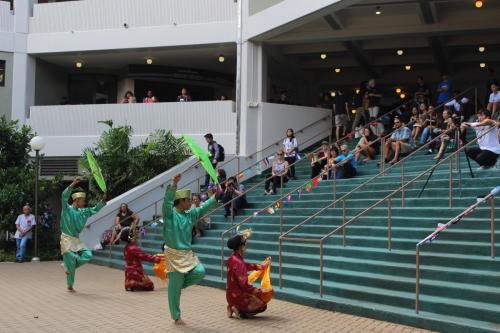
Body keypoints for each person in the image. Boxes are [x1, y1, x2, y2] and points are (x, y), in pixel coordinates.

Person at [162, 173, 218, 325]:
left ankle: (176, 287)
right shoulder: (169, 215)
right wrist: (173, 183)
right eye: (188, 200)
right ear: (180, 202)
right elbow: (167, 202)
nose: (191, 202)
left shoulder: (190, 215)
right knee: (175, 286)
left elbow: (203, 208)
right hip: (173, 254)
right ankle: (176, 316)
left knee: (200, 271)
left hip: (187, 254)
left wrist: (215, 197)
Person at [60, 177, 106, 292]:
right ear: (76, 200)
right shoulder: (67, 209)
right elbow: (64, 197)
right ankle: (70, 285)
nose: (84, 203)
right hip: (66, 238)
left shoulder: (83, 212)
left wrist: (103, 201)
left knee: (88, 255)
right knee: (71, 257)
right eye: (83, 201)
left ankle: (68, 267)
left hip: (76, 239)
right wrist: (73, 184)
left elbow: (95, 209)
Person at [226, 232, 271, 319]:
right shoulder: (238, 262)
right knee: (262, 305)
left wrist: (261, 266)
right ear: (241, 247)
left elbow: (246, 266)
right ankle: (236, 308)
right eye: (245, 245)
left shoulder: (232, 258)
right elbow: (245, 285)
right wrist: (259, 291)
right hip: (238, 296)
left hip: (230, 296)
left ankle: (232, 305)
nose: (246, 246)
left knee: (253, 297)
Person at [122, 226, 161, 291]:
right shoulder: (133, 248)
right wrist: (154, 259)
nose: (137, 236)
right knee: (150, 285)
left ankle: (132, 285)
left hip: (129, 270)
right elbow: (144, 256)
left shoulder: (126, 247)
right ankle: (135, 285)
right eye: (135, 235)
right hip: (136, 270)